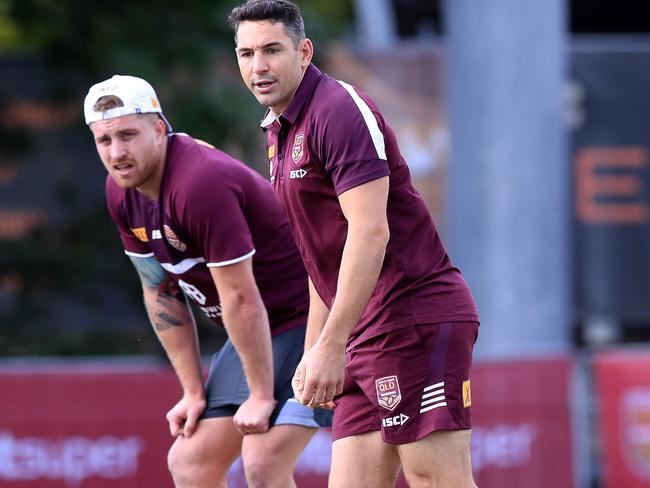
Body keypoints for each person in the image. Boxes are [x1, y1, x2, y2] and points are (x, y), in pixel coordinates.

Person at [228, 1, 481, 487]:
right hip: (360, 331)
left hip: (412, 319)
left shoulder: (338, 109)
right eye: (246, 53)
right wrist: (315, 347)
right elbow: (316, 254)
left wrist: (333, 342)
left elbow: (371, 231)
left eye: (271, 50)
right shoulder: (280, 130)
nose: (258, 66)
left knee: (436, 479)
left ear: (304, 52)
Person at [83, 74, 330, 488]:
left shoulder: (198, 182)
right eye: (104, 140)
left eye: (128, 135)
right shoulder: (120, 191)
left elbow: (240, 299)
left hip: (313, 317)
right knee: (190, 461)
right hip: (259, 330)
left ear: (159, 129)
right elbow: (160, 292)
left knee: (263, 460)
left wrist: (260, 395)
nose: (117, 152)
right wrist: (193, 392)